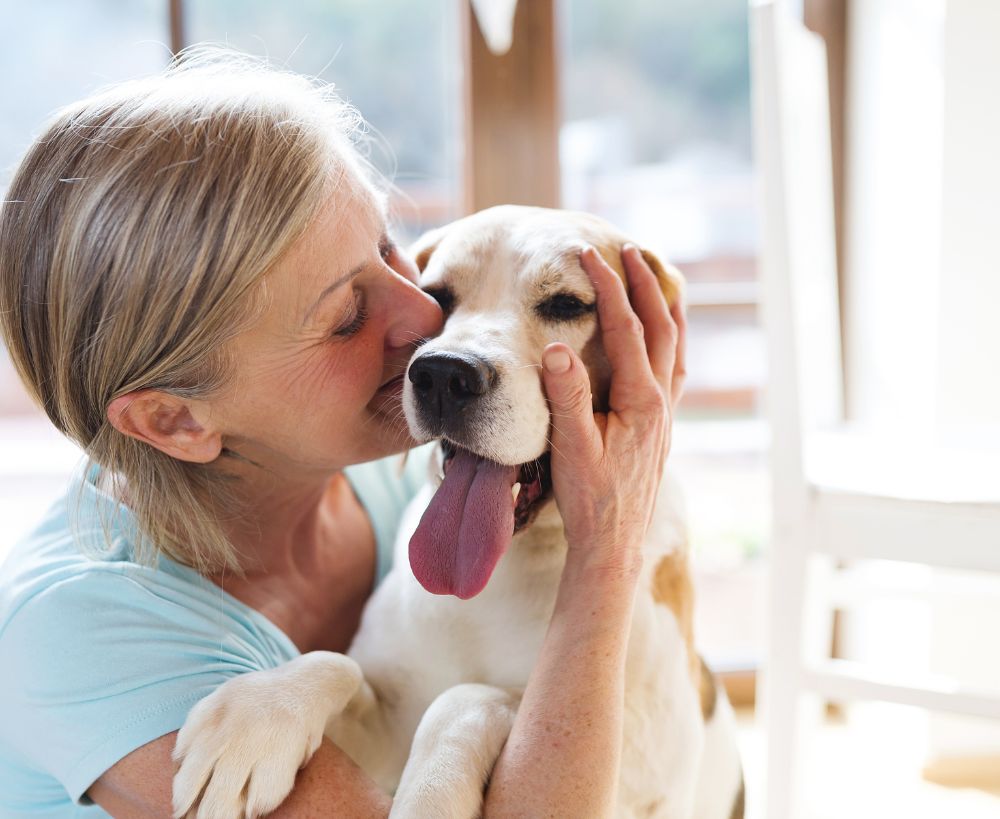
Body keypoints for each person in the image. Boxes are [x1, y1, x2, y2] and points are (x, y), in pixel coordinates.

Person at [0, 48, 685, 817]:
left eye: (394, 255)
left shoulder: (385, 478)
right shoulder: (81, 641)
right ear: (177, 418)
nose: (427, 324)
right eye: (347, 316)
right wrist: (607, 548)